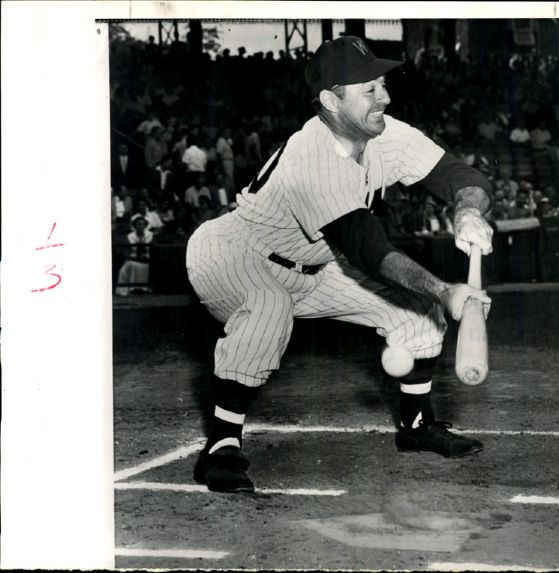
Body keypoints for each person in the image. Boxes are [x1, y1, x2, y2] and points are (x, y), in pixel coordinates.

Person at [186, 36, 493, 493]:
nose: (385, 97)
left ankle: (416, 426)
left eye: (383, 84)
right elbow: (365, 246)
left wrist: (467, 208)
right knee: (269, 310)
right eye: (370, 89)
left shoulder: (384, 134)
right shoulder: (312, 155)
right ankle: (222, 445)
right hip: (234, 253)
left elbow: (458, 175)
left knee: (416, 312)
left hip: (314, 264)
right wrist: (445, 291)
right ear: (331, 100)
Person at [115, 214, 154, 296]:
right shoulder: (129, 237)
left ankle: (144, 289)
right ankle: (131, 289)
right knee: (129, 266)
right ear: (135, 226)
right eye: (138, 224)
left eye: (142, 224)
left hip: (147, 259)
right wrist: (134, 257)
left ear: (145, 225)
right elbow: (126, 252)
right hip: (132, 259)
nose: (140, 226)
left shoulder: (151, 235)